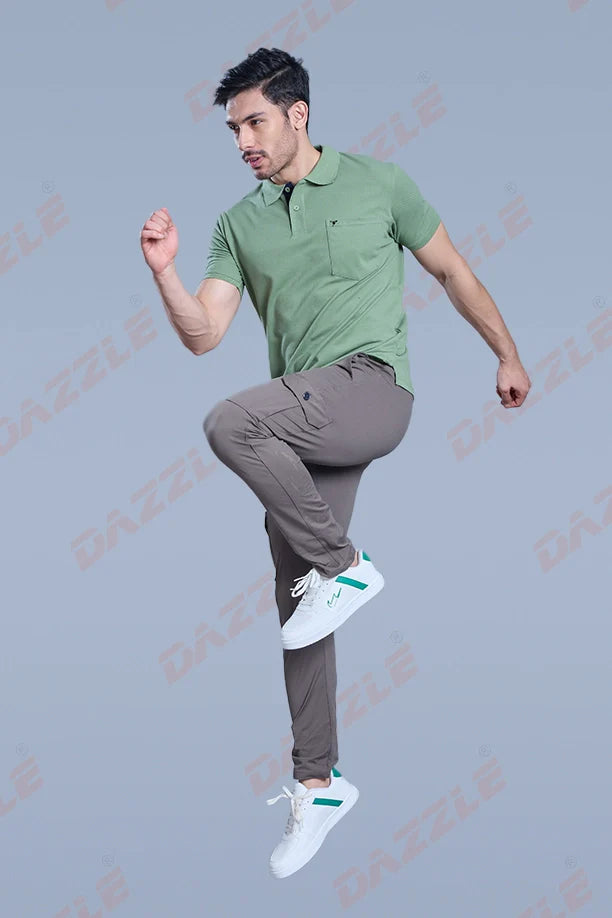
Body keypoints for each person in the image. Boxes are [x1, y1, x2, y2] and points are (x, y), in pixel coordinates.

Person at [140, 47, 531, 880]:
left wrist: (506, 353)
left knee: (230, 423)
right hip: (302, 421)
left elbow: (452, 270)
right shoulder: (236, 225)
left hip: (372, 386)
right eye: (232, 129)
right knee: (300, 603)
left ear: (298, 114)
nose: (243, 141)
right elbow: (204, 333)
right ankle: (318, 784)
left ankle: (347, 565)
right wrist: (166, 275)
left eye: (255, 122)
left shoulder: (380, 184)